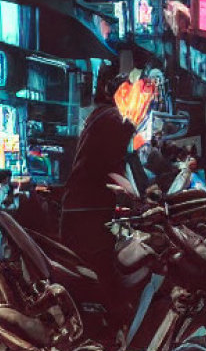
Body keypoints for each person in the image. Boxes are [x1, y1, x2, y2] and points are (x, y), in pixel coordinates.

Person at [60, 71, 153, 288]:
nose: (144, 101)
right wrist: (136, 199)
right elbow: (110, 169)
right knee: (102, 280)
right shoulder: (113, 119)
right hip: (86, 214)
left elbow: (121, 164)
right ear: (123, 93)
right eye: (139, 94)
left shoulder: (107, 116)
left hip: (86, 209)